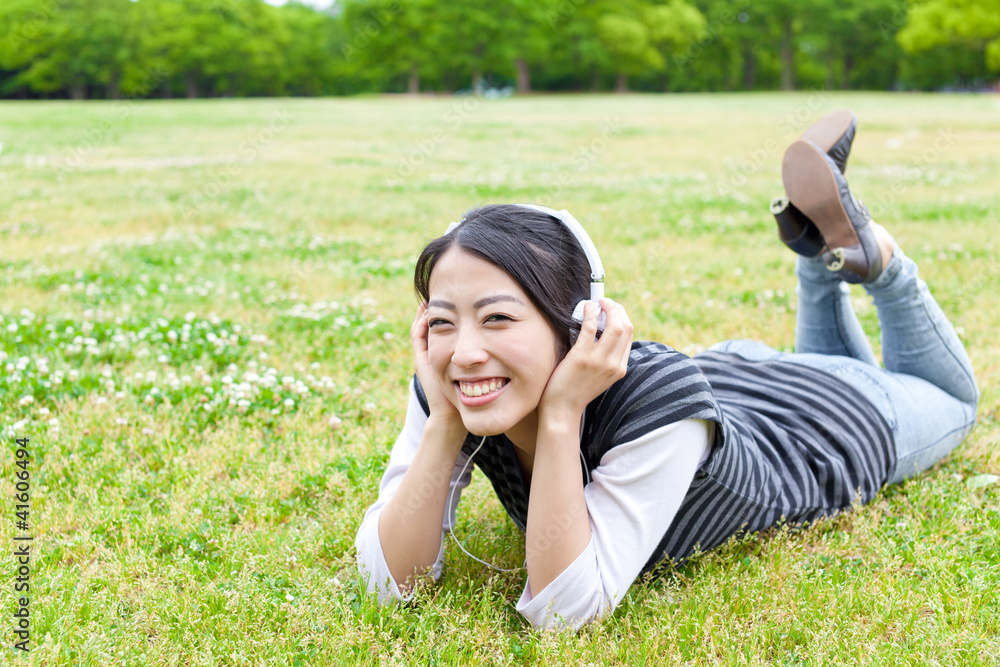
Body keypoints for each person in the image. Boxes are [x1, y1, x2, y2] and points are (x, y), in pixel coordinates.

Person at [353, 110, 980, 631]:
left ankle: (882, 262)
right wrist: (442, 426)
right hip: (737, 377)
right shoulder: (455, 384)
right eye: (441, 320)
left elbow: (565, 613)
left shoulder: (660, 403)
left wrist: (563, 415)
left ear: (579, 325)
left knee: (956, 401)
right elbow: (388, 584)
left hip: (832, 416)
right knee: (825, 361)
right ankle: (820, 251)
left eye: (496, 319)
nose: (463, 351)